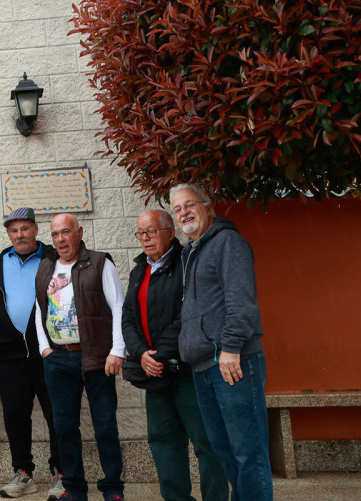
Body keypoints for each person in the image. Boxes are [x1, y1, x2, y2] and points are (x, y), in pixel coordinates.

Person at [171, 184, 272, 501]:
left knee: (248, 452)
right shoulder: (191, 252)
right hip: (204, 367)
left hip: (232, 363)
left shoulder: (228, 243)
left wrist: (230, 349)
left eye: (190, 204)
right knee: (225, 451)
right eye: (177, 209)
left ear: (208, 206)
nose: (184, 212)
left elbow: (241, 304)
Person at [122, 209, 226, 501]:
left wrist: (157, 353)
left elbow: (189, 314)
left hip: (189, 372)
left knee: (207, 443)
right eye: (140, 233)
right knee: (163, 444)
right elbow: (128, 316)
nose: (145, 239)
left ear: (171, 232)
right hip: (154, 375)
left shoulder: (187, 262)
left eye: (151, 231)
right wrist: (142, 354)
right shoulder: (139, 269)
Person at [35, 214, 126, 501]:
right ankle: (74, 488)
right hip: (58, 359)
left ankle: (113, 488)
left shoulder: (100, 262)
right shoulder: (47, 266)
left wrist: (117, 350)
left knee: (105, 426)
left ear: (79, 232)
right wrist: (44, 349)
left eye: (66, 232)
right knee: (64, 428)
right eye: (55, 235)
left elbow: (119, 307)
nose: (61, 239)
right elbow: (40, 309)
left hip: (97, 358)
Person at [0, 207, 63, 499]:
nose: (19, 235)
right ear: (8, 233)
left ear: (35, 229)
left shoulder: (52, 257)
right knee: (15, 416)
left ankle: (62, 473)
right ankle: (24, 473)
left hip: (48, 351)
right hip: (10, 354)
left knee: (57, 413)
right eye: (13, 230)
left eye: (24, 228)